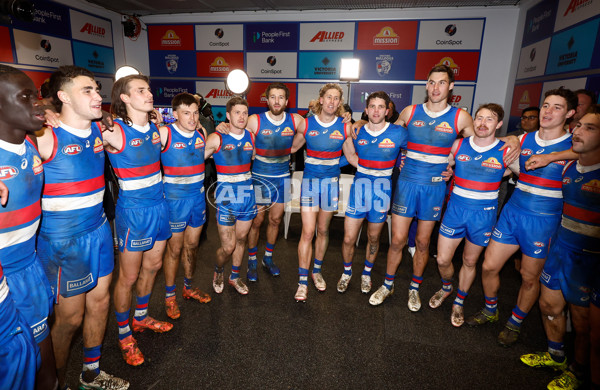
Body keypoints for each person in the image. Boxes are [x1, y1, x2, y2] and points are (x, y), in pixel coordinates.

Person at [363, 65, 520, 310]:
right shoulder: (410, 111)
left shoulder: (461, 117)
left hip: (434, 187)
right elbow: (381, 125)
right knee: (397, 241)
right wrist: (355, 122)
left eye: (442, 82)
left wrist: (513, 139)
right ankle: (388, 284)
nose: (436, 87)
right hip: (407, 182)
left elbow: (482, 143)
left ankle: (414, 288)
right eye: (432, 82)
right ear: (426, 85)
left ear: (451, 86)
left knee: (424, 243)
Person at [36, 65, 128, 389]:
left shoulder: (99, 130)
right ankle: (56, 382)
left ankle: (90, 373)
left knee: (100, 302)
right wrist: (40, 112)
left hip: (100, 229)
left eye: (97, 89)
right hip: (63, 241)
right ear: (63, 96)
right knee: (69, 319)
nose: (97, 95)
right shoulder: (45, 136)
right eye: (86, 90)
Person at [466, 88, 576, 347]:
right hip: (513, 211)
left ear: (570, 113)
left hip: (544, 219)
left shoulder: (574, 143)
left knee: (529, 277)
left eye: (557, 107)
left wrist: (551, 156)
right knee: (489, 266)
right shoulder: (523, 138)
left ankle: (515, 322)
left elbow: (589, 152)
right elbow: (493, 145)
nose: (548, 111)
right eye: (546, 105)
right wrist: (512, 139)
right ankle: (490, 310)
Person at [520, 105, 600, 390]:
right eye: (578, 126)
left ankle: (578, 372)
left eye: (589, 128)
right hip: (561, 248)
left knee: (583, 325)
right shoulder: (569, 166)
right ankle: (556, 356)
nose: (578, 131)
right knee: (549, 305)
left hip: (589, 259)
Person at [102, 74, 173, 366]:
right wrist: (54, 114)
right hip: (134, 211)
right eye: (141, 90)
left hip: (160, 206)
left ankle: (141, 317)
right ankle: (124, 334)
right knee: (128, 277)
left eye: (149, 89)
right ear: (125, 98)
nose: (149, 93)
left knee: (153, 265)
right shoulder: (113, 131)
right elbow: (74, 128)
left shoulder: (156, 128)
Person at [428, 103, 514, 327]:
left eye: (489, 119)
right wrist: (446, 171)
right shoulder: (459, 145)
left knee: (469, 260)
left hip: (483, 215)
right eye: (479, 118)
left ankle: (459, 301)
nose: (483, 123)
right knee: (444, 259)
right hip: (456, 210)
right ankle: (447, 287)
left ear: (499, 124)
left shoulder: (505, 150)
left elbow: (523, 174)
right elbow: (444, 165)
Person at [0, 64, 54, 390]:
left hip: (31, 265)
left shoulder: (33, 140)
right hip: (5, 277)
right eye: (25, 97)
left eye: (36, 95)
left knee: (44, 369)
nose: (38, 103)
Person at [216, 83, 305, 282]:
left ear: (286, 101)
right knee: (256, 222)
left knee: (275, 220)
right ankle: (253, 259)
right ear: (267, 100)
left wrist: (354, 123)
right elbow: (233, 130)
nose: (276, 101)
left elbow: (312, 129)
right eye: (273, 97)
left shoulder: (296, 119)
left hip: (282, 177)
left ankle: (268, 258)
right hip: (259, 178)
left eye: (281, 97)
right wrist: (221, 126)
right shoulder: (254, 120)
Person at [335, 91, 407, 294]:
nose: (376, 111)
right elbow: (348, 155)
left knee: (374, 238)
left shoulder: (398, 133)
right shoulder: (357, 131)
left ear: (387, 110)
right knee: (349, 238)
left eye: (380, 107)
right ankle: (347, 272)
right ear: (366, 110)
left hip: (382, 190)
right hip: (360, 188)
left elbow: (415, 153)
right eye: (372, 106)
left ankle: (366, 273)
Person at [291, 83, 353, 302]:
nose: (332, 101)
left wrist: (377, 167)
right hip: (309, 183)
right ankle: (301, 281)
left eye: (336, 98)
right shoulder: (307, 124)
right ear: (321, 99)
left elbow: (353, 157)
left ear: (340, 103)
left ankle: (316, 271)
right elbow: (290, 148)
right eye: (328, 97)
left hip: (330, 185)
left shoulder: (345, 127)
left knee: (323, 230)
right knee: (307, 232)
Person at [160, 93, 211, 320]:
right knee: (175, 249)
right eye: (186, 113)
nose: (192, 118)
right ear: (175, 114)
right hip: (174, 200)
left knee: (192, 245)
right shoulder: (164, 133)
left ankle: (188, 287)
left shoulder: (201, 134)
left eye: (195, 112)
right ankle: (170, 297)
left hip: (197, 197)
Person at [204, 97, 257, 295]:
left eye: (245, 112)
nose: (241, 116)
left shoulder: (251, 136)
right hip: (226, 195)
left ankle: (234, 276)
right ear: (228, 115)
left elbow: (251, 157)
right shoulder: (217, 138)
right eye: (237, 112)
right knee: (228, 247)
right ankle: (218, 271)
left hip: (247, 194)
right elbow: (195, 158)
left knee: (241, 239)